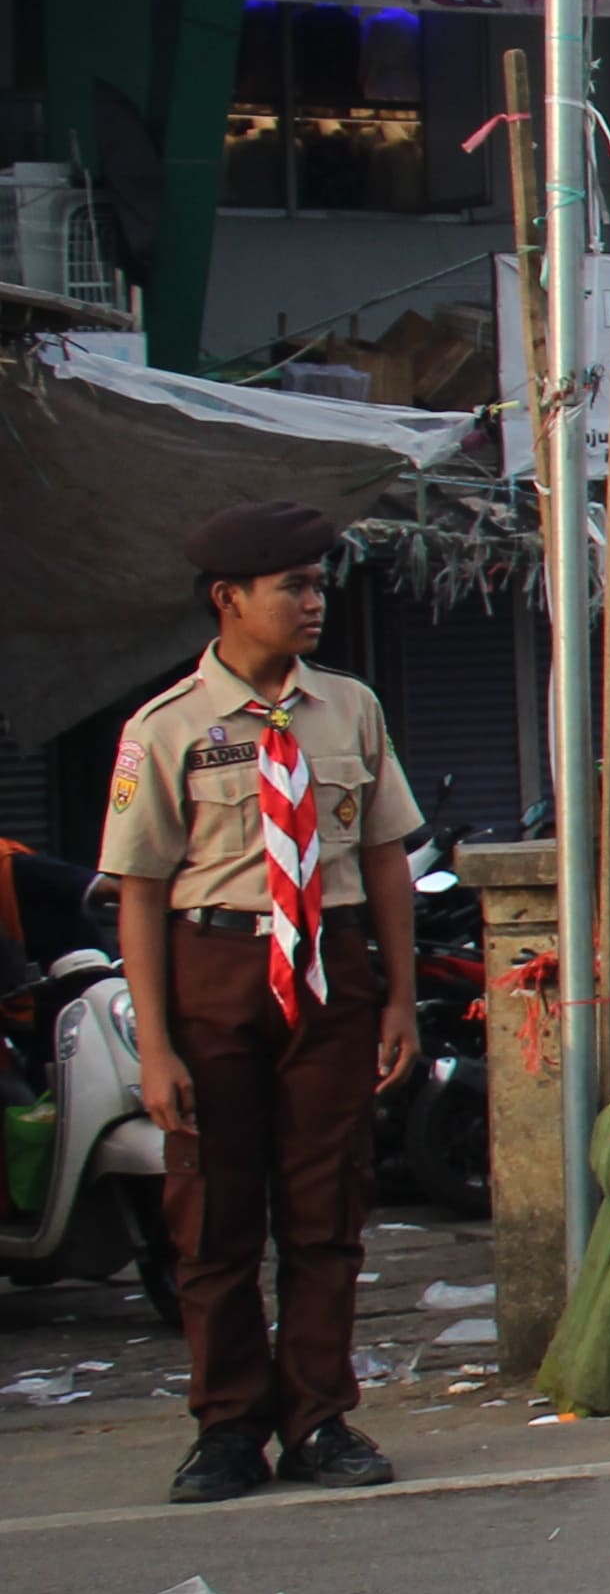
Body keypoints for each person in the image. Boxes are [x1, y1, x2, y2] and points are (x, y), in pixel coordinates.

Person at [104, 501, 419, 1504]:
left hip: (332, 972)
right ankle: (229, 1429)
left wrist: (401, 998)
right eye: (293, 586)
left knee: (328, 1210)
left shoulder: (351, 710)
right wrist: (156, 1047)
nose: (314, 601)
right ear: (228, 599)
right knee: (214, 1217)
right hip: (216, 970)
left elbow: (384, 857)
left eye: (319, 584)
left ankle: (320, 1419)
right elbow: (141, 891)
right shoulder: (166, 727)